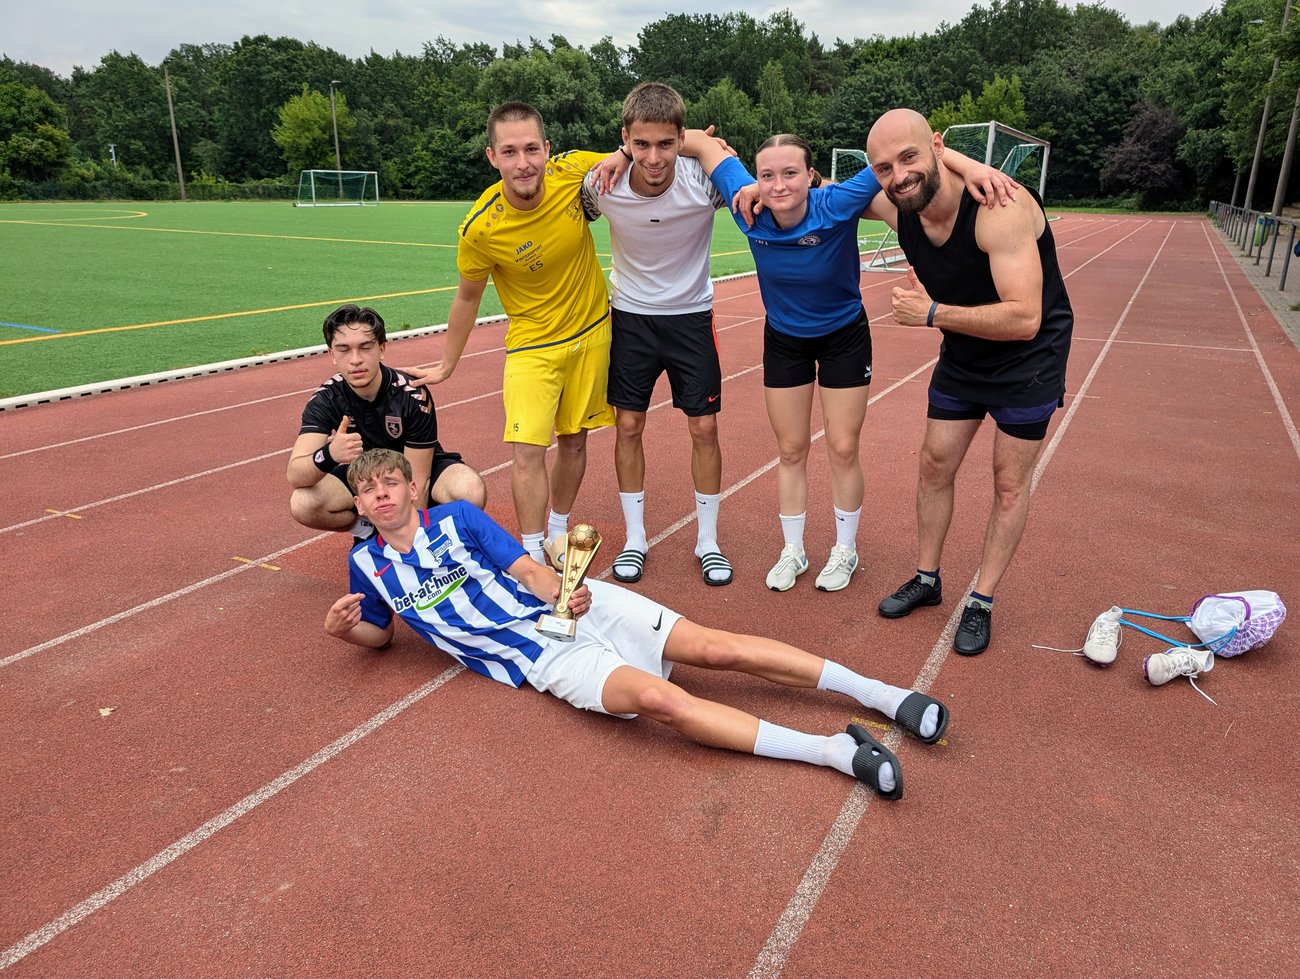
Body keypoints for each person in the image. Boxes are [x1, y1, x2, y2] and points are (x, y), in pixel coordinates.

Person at [325, 448, 953, 800]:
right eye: (368, 490)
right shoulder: (366, 565)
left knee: (716, 650)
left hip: (577, 604)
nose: (381, 495)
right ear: (358, 504)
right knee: (660, 700)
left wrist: (563, 594)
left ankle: (883, 695)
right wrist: (345, 630)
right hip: (541, 659)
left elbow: (525, 568)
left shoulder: (458, 518)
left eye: (391, 483)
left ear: (413, 488)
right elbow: (380, 634)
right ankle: (836, 753)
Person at [684, 131, 1018, 595]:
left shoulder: (838, 201)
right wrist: (622, 155)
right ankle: (793, 549)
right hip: (784, 339)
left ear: (810, 175)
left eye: (790, 174)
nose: (778, 185)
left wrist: (972, 167)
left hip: (843, 336)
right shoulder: (748, 207)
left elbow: (909, 153)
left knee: (842, 448)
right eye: (767, 176)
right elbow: (697, 142)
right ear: (753, 179)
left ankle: (845, 549)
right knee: (791, 449)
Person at [865, 108, 1074, 656]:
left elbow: (1024, 316)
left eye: (910, 157)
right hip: (964, 352)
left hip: (1029, 358)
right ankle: (928, 579)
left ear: (934, 147)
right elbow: (814, 189)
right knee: (935, 463)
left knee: (1007, 482)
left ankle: (981, 599)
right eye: (884, 167)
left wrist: (930, 313)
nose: (899, 175)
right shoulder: (896, 204)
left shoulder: (998, 208)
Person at [419, 101, 614, 566]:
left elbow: (639, 149)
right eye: (510, 152)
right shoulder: (480, 227)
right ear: (492, 157)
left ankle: (559, 532)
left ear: (548, 149)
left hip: (592, 332)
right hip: (532, 347)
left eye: (531, 149)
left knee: (575, 441)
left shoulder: (572, 172)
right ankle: (531, 556)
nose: (523, 162)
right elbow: (467, 297)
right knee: (527, 450)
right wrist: (448, 363)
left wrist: (703, 147)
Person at [579, 82, 733, 587]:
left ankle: (708, 540)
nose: (653, 156)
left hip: (691, 316)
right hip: (631, 318)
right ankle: (635, 538)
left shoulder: (704, 182)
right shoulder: (601, 186)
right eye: (640, 144)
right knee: (627, 428)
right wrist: (613, 158)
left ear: (681, 139)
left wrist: (712, 151)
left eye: (666, 144)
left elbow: (757, 190)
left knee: (704, 429)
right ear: (625, 139)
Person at [287, 304, 485, 543]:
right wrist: (329, 454)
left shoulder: (411, 394)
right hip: (363, 475)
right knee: (303, 503)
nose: (356, 360)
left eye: (365, 347)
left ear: (382, 349)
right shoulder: (326, 399)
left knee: (470, 490)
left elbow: (418, 482)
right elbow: (295, 475)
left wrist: (412, 545)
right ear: (331, 355)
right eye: (343, 350)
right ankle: (367, 531)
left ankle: (435, 535)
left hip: (417, 471)